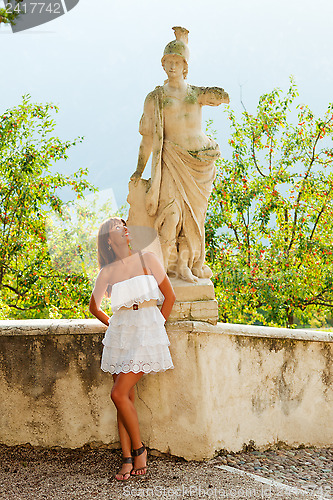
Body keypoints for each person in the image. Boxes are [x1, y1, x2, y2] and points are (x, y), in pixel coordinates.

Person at [130, 26, 229, 283]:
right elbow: (148, 139)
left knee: (193, 222)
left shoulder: (196, 93)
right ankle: (165, 270)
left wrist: (214, 95)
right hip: (171, 163)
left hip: (200, 165)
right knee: (171, 216)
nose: (172, 66)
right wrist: (139, 171)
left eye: (177, 62)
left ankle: (184, 265)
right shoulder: (155, 98)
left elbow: (223, 97)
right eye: (168, 62)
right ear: (163, 65)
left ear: (185, 66)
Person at [89, 217, 176, 480]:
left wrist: (155, 326)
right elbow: (94, 307)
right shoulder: (107, 272)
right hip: (121, 333)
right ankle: (127, 458)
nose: (125, 228)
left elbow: (169, 297)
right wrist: (113, 325)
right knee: (124, 398)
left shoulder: (147, 259)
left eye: (125, 224)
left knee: (118, 393)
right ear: (108, 239)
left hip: (146, 330)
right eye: (118, 226)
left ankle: (139, 450)